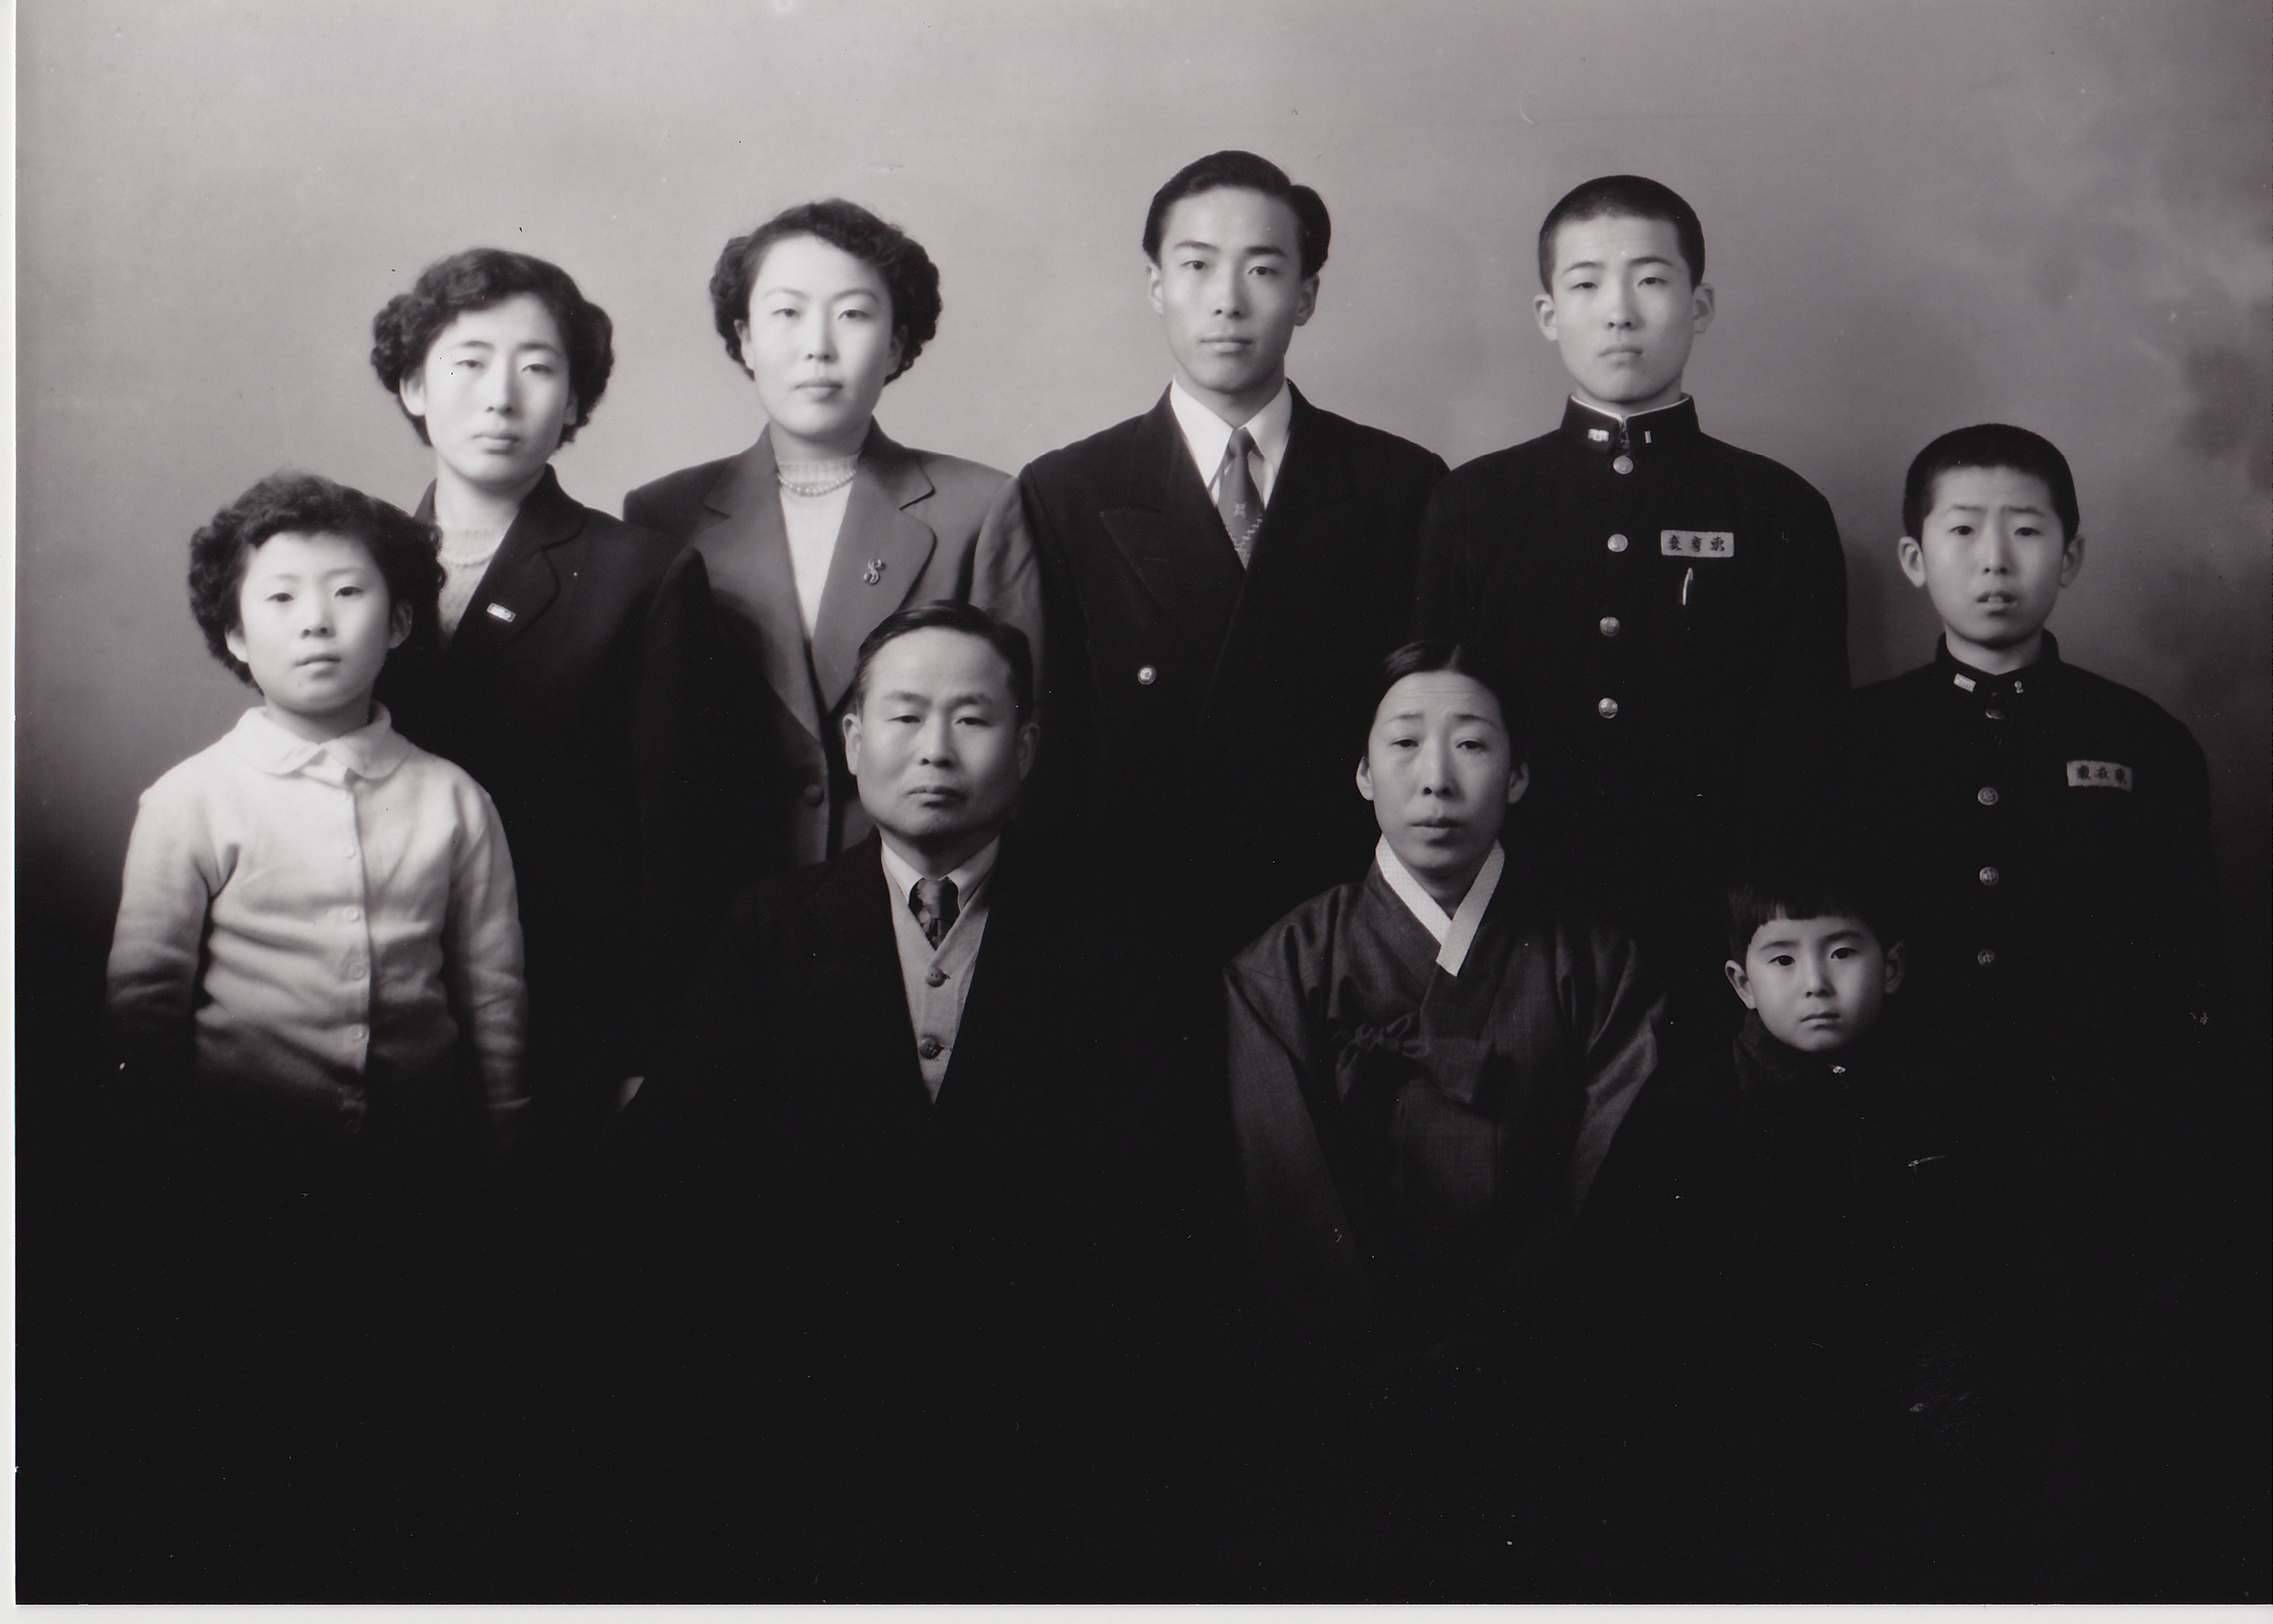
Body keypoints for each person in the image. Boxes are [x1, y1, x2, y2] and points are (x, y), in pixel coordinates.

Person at [611, 603, 1183, 1598]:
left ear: (1028, 744)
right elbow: (681, 1178)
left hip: (1033, 1418)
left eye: (972, 718)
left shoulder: (1114, 937)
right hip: (808, 1407)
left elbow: (1147, 1212)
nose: (934, 750)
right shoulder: (769, 925)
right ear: (852, 739)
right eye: (904, 715)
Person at [103, 471, 525, 1591]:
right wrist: (161, 1167)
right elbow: (143, 1003)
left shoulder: (449, 799)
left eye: (347, 593)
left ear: (396, 624)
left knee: (403, 1419)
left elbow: (492, 994)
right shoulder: (193, 800)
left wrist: (502, 1146)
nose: (317, 621)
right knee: (257, 1419)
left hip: (415, 1178)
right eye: (281, 599)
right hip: (241, 1182)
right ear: (236, 637)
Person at [1847, 423, 2243, 1594]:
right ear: (1916, 559)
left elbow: (2190, 989)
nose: (1995, 558)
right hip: (1897, 1154)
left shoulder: (2143, 743)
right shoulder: (1853, 740)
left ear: (2071, 556)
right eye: (1962, 531)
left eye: (2026, 530)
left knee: (2079, 1484)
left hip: (2088, 1169)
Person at [1221, 640, 1663, 1592]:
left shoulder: (1597, 960)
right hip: (1345, 1391)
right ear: (1361, 772)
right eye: (1404, 742)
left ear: (1519, 773)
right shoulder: (1281, 965)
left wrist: (1503, 1343)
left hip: (1545, 1380)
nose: (1434, 777)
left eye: (1470, 744)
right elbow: (1284, 1192)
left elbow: (1610, 1176)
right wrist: (1380, 1361)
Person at [1411, 175, 1847, 1042]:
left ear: (1701, 303)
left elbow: (1805, 750)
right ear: (1547, 314)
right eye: (1584, 284)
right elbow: (1432, 727)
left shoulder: (1776, 509)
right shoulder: (1475, 505)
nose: (1618, 312)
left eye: (1650, 280)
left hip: (1709, 919)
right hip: (1514, 912)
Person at [998, 150, 1450, 965]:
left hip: (1345, 930)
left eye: (1264, 269)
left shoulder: (1401, 486)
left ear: (1307, 295)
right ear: (1155, 286)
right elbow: (1048, 762)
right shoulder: (1067, 491)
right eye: (1197, 265)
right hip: (1132, 931)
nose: (1227, 301)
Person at [626, 199, 1042, 960]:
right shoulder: (663, 513)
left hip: (922, 911)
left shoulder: (978, 507)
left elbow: (1018, 749)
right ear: (745, 339)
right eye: (785, 314)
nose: (817, 346)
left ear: (898, 343)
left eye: (853, 315)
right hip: (721, 911)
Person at [1578, 857, 1990, 1597]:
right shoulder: (1686, 1121)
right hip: (1742, 1460)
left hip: (1911, 1455)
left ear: (1891, 967)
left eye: (1842, 952)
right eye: (1781, 957)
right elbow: (1627, 1319)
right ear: (1741, 983)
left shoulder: (1938, 1108)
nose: (1815, 984)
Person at [369, 247, 686, 1156]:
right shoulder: (349, 567)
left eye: (538, 368)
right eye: (467, 363)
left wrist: (648, 1043)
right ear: (413, 386)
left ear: (576, 402)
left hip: (568, 1009)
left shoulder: (642, 571)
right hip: (376, 1000)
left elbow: (674, 835)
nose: (499, 397)